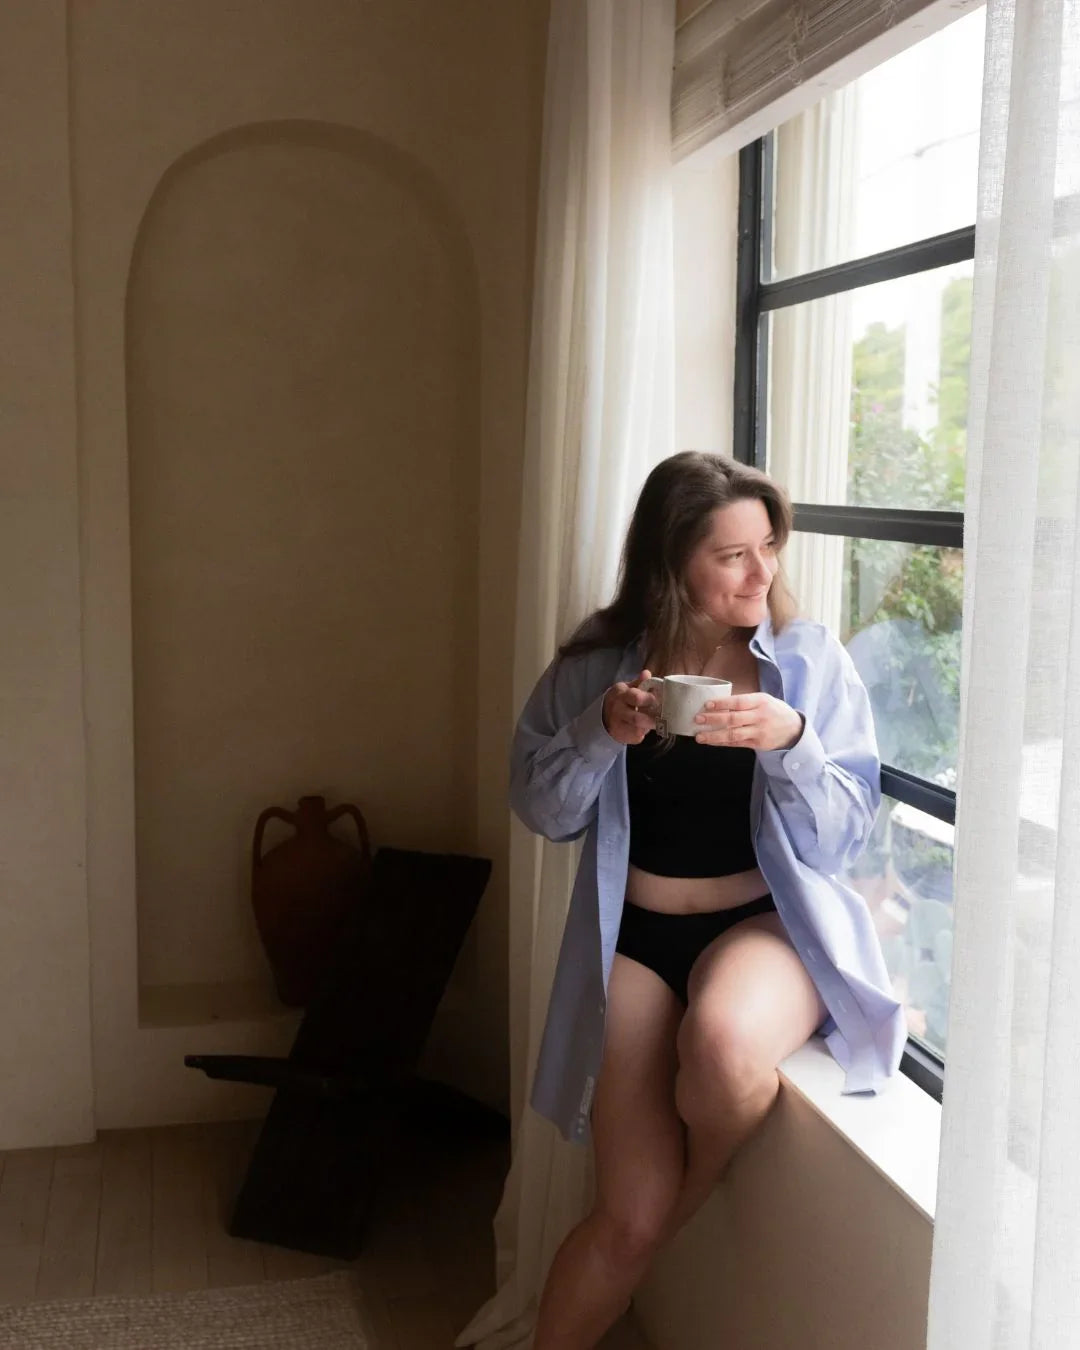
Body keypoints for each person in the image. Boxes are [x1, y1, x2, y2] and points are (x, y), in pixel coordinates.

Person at [509, 451, 905, 1350]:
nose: (762, 571)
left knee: (723, 1048)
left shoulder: (806, 662)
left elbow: (844, 837)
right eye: (732, 555)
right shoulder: (597, 667)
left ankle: (684, 1198)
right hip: (636, 938)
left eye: (768, 545)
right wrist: (600, 732)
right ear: (672, 560)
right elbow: (540, 810)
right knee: (624, 1221)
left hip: (764, 926)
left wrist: (793, 740)